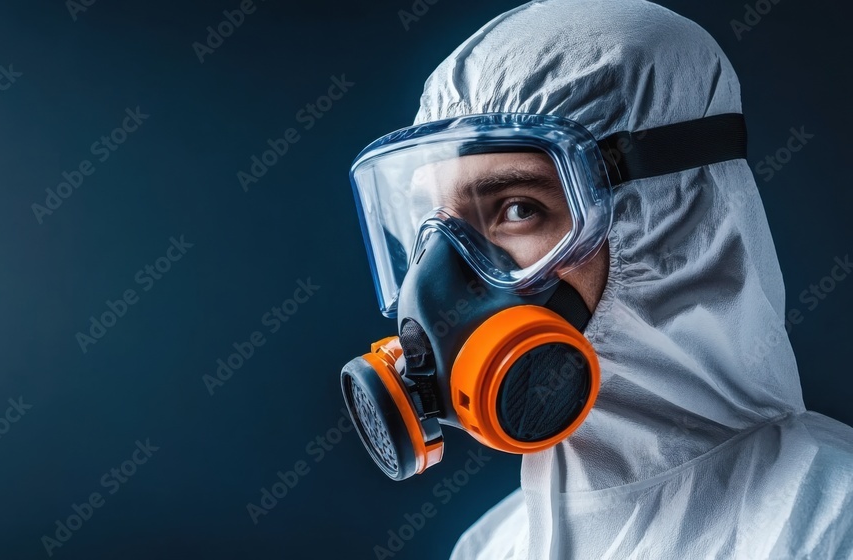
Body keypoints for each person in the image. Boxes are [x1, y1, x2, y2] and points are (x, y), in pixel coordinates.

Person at [338, 0, 853, 558]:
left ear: (670, 220)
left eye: (517, 209)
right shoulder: (491, 547)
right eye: (429, 222)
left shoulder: (826, 523)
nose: (433, 283)